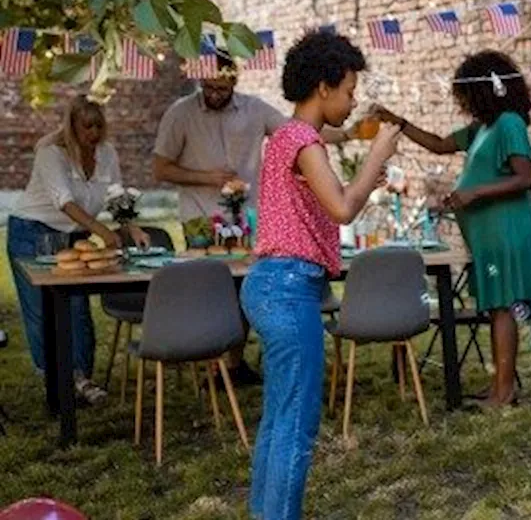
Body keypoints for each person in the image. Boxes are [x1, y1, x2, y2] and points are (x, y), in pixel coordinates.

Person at [240, 30, 401, 520]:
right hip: (289, 290)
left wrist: (361, 148)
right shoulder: (302, 141)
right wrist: (378, 154)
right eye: (350, 90)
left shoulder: (289, 135)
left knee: (280, 418)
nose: (353, 101)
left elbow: (331, 165)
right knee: (297, 424)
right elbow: (343, 209)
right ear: (324, 87)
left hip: (274, 285)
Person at [153, 50, 354, 386]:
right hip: (202, 218)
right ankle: (210, 360)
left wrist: (349, 132)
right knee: (213, 290)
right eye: (209, 87)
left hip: (248, 215)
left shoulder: (255, 109)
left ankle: (232, 364)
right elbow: (161, 168)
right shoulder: (180, 114)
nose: (216, 94)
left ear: (235, 80)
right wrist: (209, 177)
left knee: (244, 283)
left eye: (223, 88)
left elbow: (301, 131)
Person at [372, 50, 531, 408]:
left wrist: (475, 191)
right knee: (496, 307)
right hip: (488, 235)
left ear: (482, 90)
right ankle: (499, 384)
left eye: (464, 93)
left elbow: (524, 178)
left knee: (503, 307)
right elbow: (437, 144)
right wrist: (397, 122)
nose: (461, 101)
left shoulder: (510, 123)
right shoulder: (483, 128)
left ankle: (504, 391)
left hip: (506, 233)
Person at [6, 95, 151, 405]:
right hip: (32, 231)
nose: (94, 133)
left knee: (78, 310)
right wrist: (101, 231)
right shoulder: (51, 154)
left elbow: (115, 196)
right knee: (42, 311)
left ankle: (82, 379)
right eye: (87, 127)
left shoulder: (107, 153)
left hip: (75, 234)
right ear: (72, 127)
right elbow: (64, 201)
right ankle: (56, 381)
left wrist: (129, 226)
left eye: (99, 126)